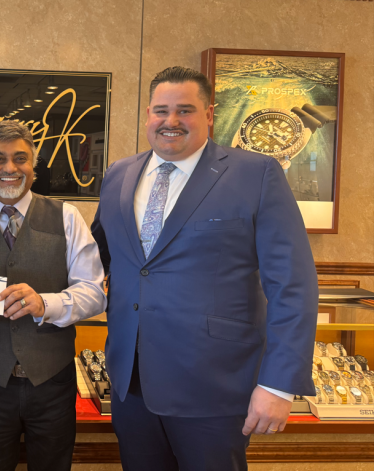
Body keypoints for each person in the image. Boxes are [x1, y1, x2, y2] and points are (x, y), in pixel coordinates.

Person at [91, 66, 318, 470]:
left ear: (209, 114)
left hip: (215, 386)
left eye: (185, 110)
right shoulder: (118, 175)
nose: (171, 121)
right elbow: (97, 259)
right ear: (147, 114)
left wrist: (279, 383)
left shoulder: (256, 174)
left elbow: (293, 285)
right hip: (131, 386)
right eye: (161, 110)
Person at [0, 120, 107, 471]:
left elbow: (94, 293)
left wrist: (46, 303)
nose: (10, 168)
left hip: (53, 383)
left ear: (33, 165)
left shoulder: (68, 218)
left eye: (20, 158)